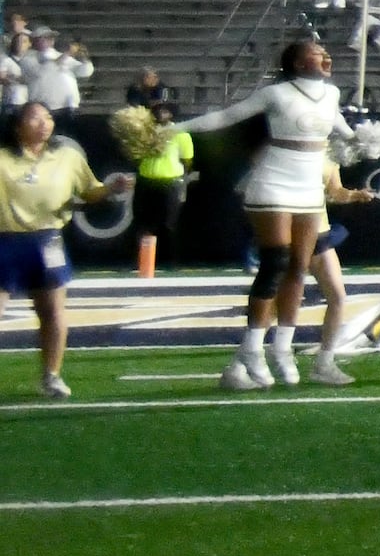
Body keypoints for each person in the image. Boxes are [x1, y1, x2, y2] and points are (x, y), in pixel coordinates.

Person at [174, 39, 346, 390]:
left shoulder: (332, 94)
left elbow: (340, 127)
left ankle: (282, 346)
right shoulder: (276, 94)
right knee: (275, 263)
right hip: (273, 183)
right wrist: (176, 128)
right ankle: (253, 348)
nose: (325, 55)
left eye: (325, 51)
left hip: (310, 189)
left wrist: (363, 138)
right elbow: (226, 115)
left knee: (299, 266)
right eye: (316, 52)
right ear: (297, 63)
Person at [1, 103, 127, 398]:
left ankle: (51, 375)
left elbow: (89, 190)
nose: (44, 123)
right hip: (4, 241)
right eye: (35, 117)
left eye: (48, 117)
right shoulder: (3, 157)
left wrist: (111, 189)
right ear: (17, 126)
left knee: (53, 311)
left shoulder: (67, 156)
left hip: (47, 241)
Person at [111, 92, 192, 277]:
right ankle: (140, 262)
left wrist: (177, 176)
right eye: (157, 110)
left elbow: (187, 160)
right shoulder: (144, 132)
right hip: (146, 181)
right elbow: (133, 153)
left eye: (165, 110)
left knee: (168, 225)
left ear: (172, 113)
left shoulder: (180, 132)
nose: (160, 113)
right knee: (141, 223)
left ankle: (172, 263)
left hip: (169, 182)